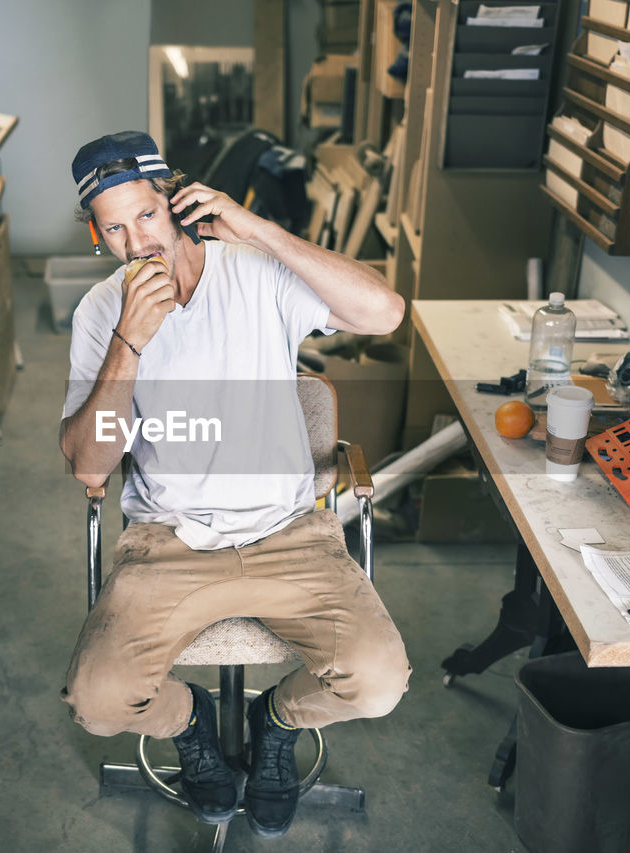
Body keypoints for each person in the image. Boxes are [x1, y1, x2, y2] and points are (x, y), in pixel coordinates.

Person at [59, 130, 410, 839]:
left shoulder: (252, 270)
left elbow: (385, 313)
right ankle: (191, 725)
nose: (136, 243)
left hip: (289, 532)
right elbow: (91, 467)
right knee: (97, 702)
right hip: (170, 542)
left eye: (147, 216)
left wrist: (255, 228)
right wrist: (129, 340)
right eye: (115, 228)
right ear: (99, 235)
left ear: (179, 203)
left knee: (377, 682)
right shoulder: (102, 312)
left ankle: (273, 719)